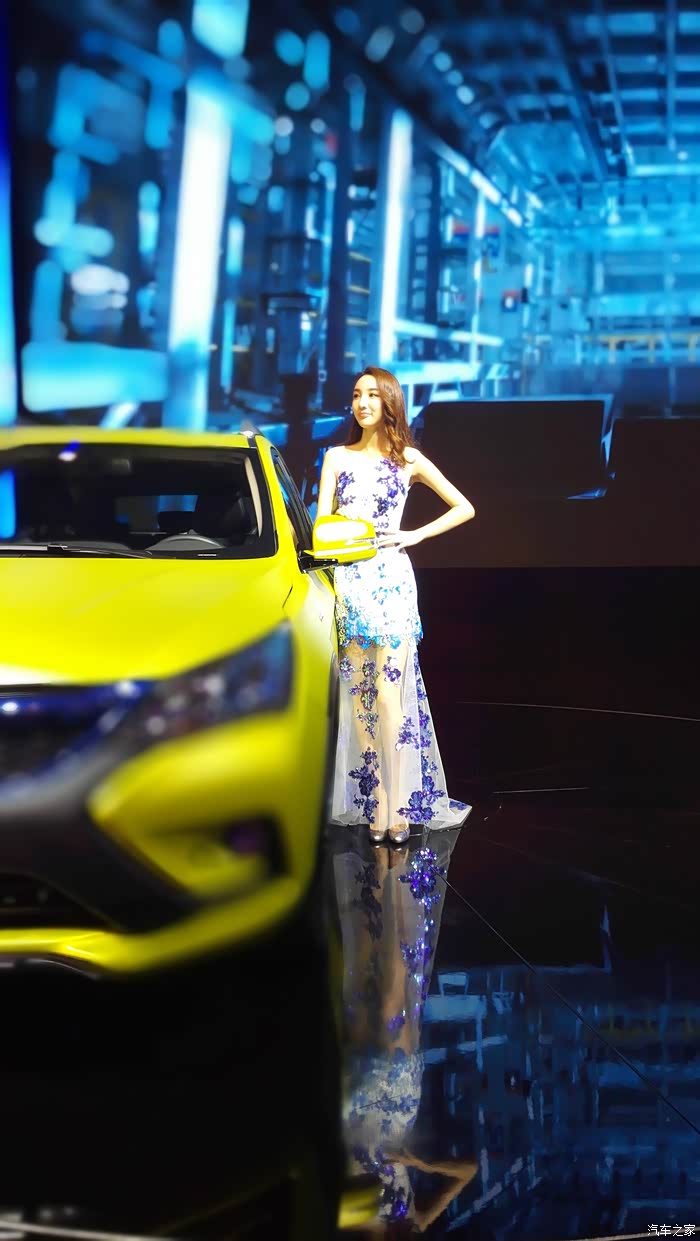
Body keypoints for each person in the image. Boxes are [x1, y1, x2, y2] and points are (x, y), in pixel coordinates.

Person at [316, 366, 475, 846]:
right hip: (350, 583)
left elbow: (464, 507)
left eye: (372, 394)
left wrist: (415, 535)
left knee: (389, 696)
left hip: (392, 582)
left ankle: (400, 805)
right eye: (356, 395)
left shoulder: (409, 459)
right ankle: (380, 799)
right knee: (360, 699)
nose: (362, 403)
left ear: (390, 401)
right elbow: (322, 526)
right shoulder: (336, 458)